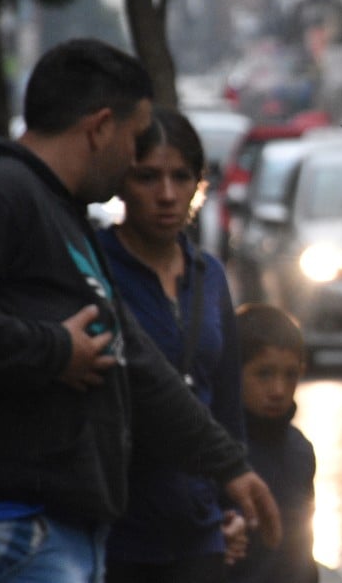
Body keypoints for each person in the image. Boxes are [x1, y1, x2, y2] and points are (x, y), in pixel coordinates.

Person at [0, 38, 281, 583]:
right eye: (136, 141)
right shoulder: (0, 191)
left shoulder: (60, 210)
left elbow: (131, 355)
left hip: (53, 527)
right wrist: (52, 349)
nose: (135, 160)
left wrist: (229, 465)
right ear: (99, 128)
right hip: (10, 525)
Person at [99, 105, 249, 582]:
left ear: (198, 184)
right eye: (148, 177)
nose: (166, 195)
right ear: (122, 182)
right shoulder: (96, 267)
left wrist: (232, 501)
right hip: (114, 526)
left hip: (198, 528)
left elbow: (226, 403)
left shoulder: (210, 277)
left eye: (180, 177)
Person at [229, 303, 318, 583]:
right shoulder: (222, 454)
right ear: (233, 373)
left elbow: (303, 547)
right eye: (264, 374)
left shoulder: (300, 450)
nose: (278, 390)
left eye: (290, 375)